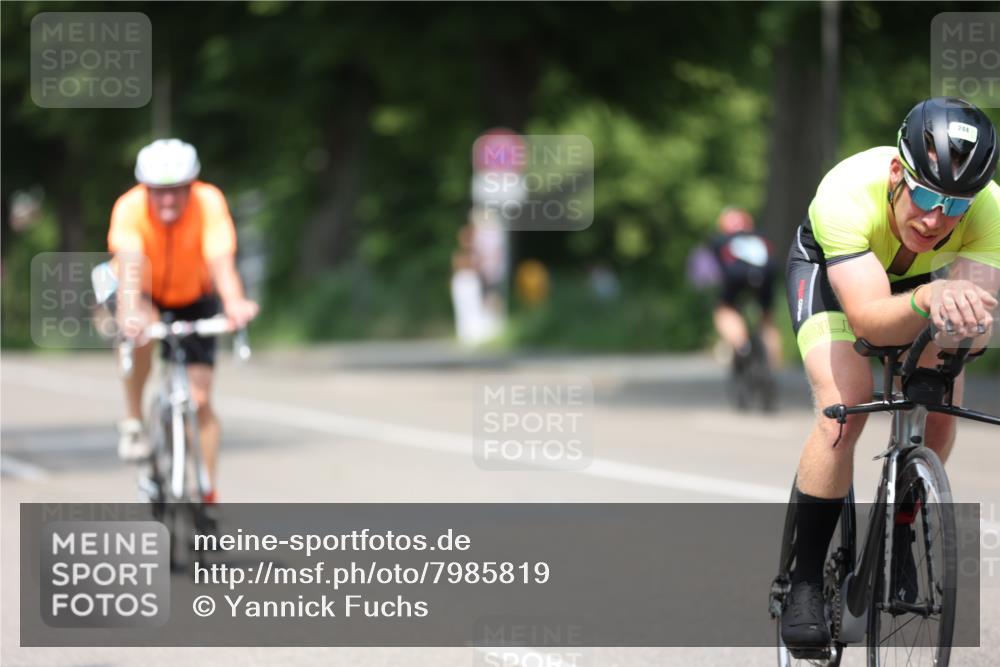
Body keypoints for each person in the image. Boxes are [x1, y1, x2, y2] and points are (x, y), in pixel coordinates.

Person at [780, 98, 999, 648]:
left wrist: (955, 342)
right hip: (838, 280)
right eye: (925, 195)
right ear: (898, 173)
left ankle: (902, 531)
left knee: (940, 407)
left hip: (924, 287)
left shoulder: (991, 211)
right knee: (844, 409)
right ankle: (804, 580)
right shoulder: (846, 195)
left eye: (955, 206)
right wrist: (930, 296)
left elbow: (976, 326)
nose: (935, 219)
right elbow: (871, 323)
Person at [107, 138, 258, 507]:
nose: (168, 201)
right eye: (158, 193)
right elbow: (129, 265)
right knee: (139, 327)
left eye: (176, 191)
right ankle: (133, 421)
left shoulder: (209, 203)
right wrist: (129, 312)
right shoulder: (129, 208)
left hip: (195, 296)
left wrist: (235, 303)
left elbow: (221, 261)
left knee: (201, 400)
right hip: (144, 291)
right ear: (145, 190)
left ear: (192, 186)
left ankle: (207, 494)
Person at [707, 207, 782, 369]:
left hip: (736, 277)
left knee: (724, 309)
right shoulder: (761, 237)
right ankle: (773, 360)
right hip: (765, 276)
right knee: (767, 316)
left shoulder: (720, 240)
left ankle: (742, 346)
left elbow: (718, 268)